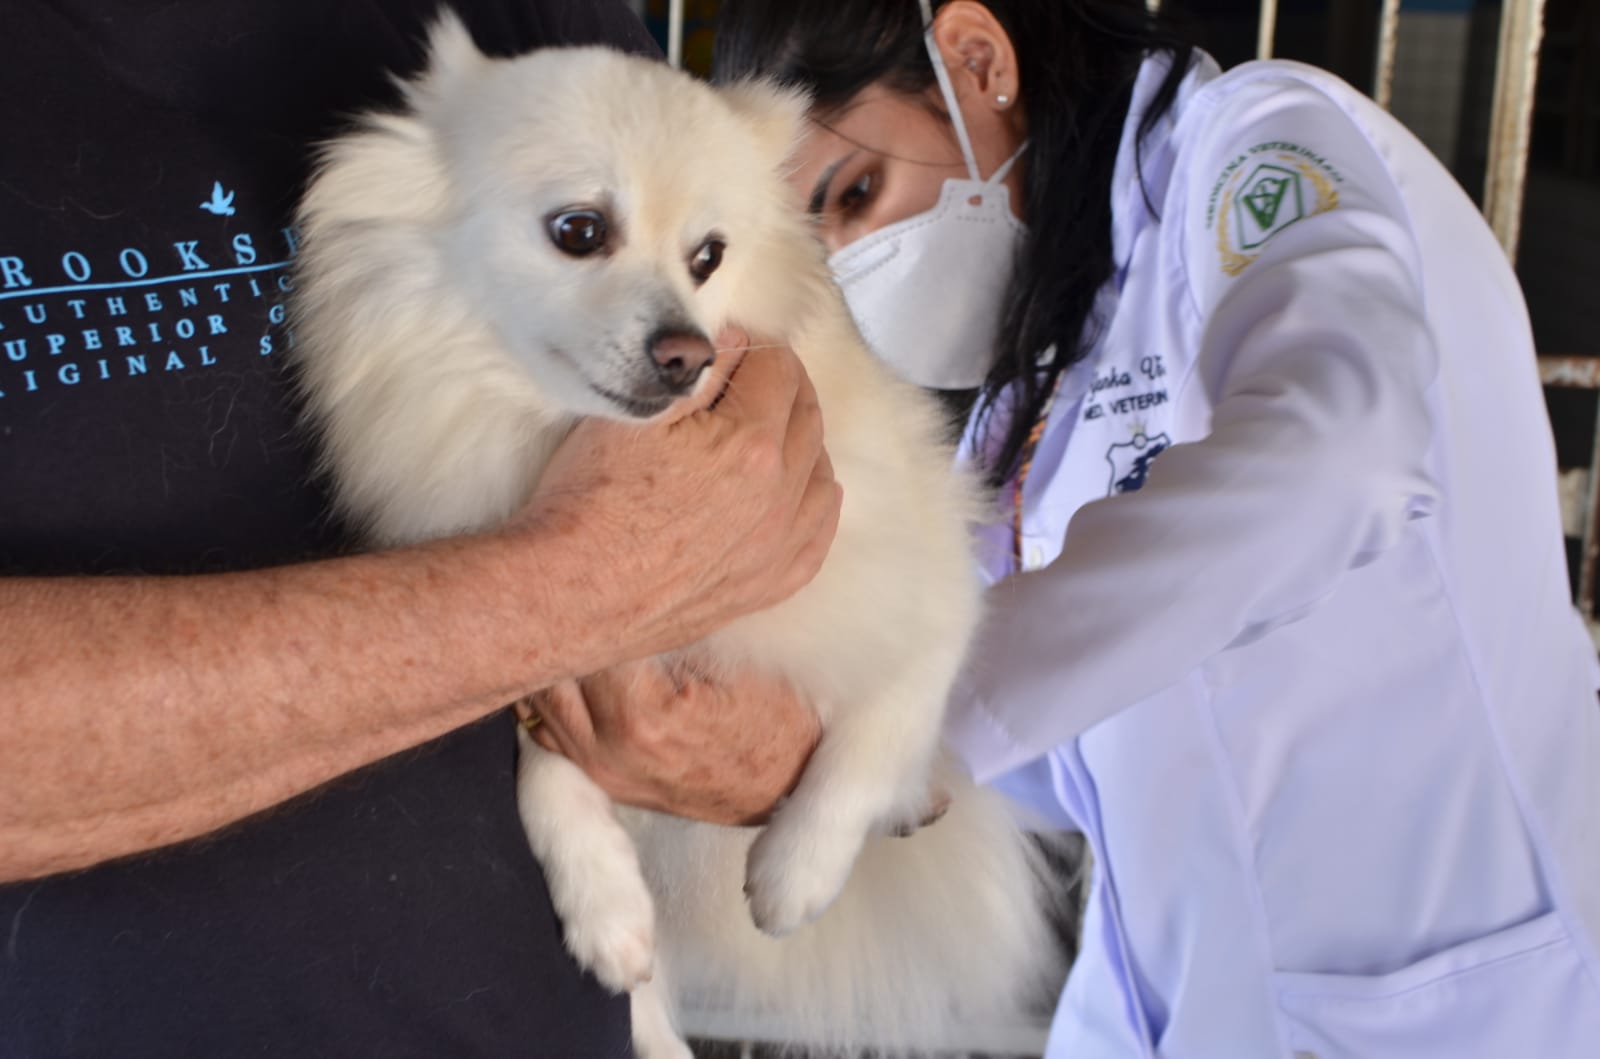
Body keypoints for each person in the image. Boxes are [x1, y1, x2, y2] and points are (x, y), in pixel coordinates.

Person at [529, 0, 1600, 1055]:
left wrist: (894, 731)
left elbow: (1339, 454)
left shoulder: (1258, 142)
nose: (852, 265)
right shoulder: (1032, 379)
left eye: (857, 192)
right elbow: (1049, 732)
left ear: (977, 59)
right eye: (820, 242)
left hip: (1469, 997)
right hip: (1161, 998)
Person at [0, 2, 837, 1055]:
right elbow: (626, 557)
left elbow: (772, 451)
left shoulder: (548, 30)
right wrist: (569, 593)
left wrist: (790, 734)